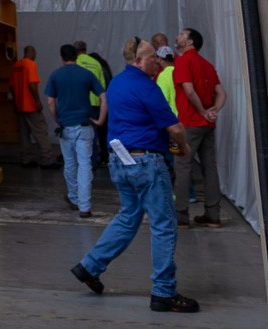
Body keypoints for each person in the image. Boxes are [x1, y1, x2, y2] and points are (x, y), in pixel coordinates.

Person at [70, 37, 200, 314]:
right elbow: (174, 128)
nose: (157, 60)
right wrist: (185, 147)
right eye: (152, 57)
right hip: (146, 163)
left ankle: (89, 266)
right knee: (164, 224)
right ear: (138, 61)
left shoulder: (117, 82)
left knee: (129, 216)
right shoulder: (146, 87)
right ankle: (164, 292)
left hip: (121, 161)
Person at [173, 27, 225, 228]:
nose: (177, 37)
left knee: (182, 166)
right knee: (209, 167)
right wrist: (214, 111)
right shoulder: (207, 65)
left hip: (189, 123)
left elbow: (188, 90)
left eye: (181, 35)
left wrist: (203, 111)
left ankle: (181, 215)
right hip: (207, 125)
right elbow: (222, 93)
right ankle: (213, 214)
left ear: (189, 42)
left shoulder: (183, 61)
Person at [44, 44, 104, 217]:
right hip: (85, 126)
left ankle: (74, 198)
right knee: (85, 166)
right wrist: (100, 119)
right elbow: (103, 95)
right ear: (77, 57)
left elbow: (50, 101)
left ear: (62, 57)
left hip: (65, 127)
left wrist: (56, 120)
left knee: (70, 164)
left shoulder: (56, 75)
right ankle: (85, 207)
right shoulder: (86, 74)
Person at [10, 44, 57, 168]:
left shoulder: (16, 65)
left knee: (24, 134)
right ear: (32, 53)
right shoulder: (30, 64)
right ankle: (48, 161)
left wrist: (15, 103)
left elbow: (12, 86)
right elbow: (31, 84)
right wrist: (37, 101)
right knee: (41, 131)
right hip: (30, 106)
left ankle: (26, 159)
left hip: (20, 106)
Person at [74, 40, 109, 167]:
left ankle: (82, 162)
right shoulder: (96, 63)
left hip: (80, 102)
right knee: (92, 134)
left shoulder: (75, 63)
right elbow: (102, 87)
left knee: (78, 133)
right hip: (95, 103)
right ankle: (93, 162)